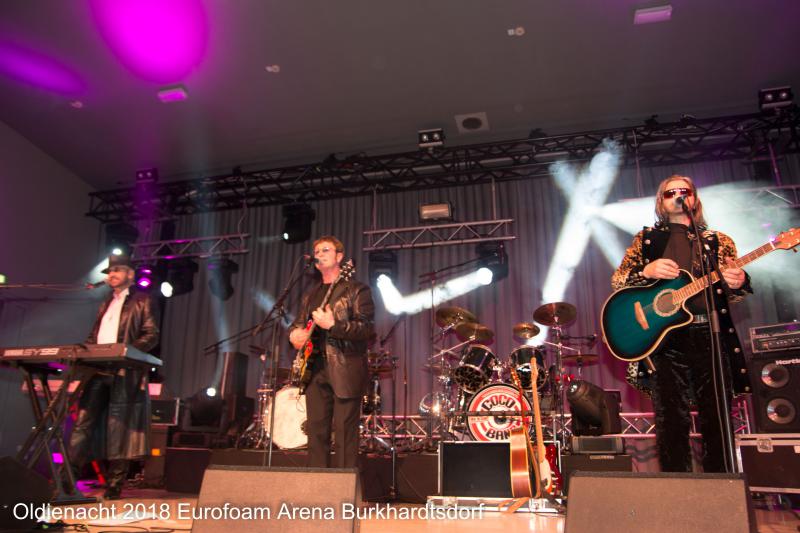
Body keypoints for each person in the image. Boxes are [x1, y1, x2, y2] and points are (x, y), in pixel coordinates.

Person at [611, 175, 752, 473]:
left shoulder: (718, 241)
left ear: (694, 198)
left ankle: (722, 485)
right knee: (671, 418)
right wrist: (646, 271)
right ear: (661, 202)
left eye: (683, 191)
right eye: (669, 192)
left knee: (717, 415)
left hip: (710, 333)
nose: (677, 195)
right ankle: (676, 486)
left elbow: (735, 293)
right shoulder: (647, 240)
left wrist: (739, 281)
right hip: (665, 338)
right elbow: (619, 280)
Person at [66, 253, 160, 499]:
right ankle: (67, 481)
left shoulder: (142, 300)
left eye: (117, 270)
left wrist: (126, 352)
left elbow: (151, 334)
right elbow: (94, 336)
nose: (111, 275)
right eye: (109, 272)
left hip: (123, 371)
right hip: (98, 370)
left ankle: (115, 484)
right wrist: (82, 352)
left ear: (130, 274)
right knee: (82, 424)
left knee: (120, 427)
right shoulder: (105, 303)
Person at [289, 236, 375, 468]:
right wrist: (294, 334)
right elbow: (298, 324)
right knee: (316, 431)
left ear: (339, 257)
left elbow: (367, 328)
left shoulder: (357, 290)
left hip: (345, 367)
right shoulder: (311, 295)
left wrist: (333, 325)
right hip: (314, 368)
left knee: (345, 433)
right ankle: (317, 485)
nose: (319, 254)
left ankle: (344, 485)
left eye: (325, 250)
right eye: (316, 251)